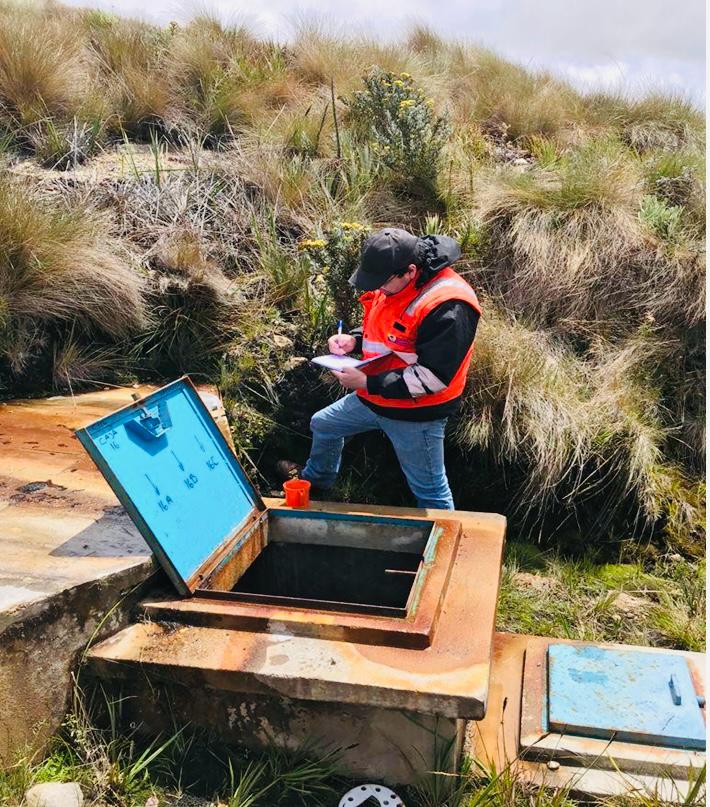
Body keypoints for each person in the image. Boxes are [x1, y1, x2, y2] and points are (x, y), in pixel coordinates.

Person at [277, 227, 481, 510]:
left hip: (417, 412)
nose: (377, 289)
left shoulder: (449, 306)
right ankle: (317, 484)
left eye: (381, 283)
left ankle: (449, 548)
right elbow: (391, 330)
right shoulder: (397, 281)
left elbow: (433, 378)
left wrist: (366, 383)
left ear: (409, 271)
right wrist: (354, 340)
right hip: (375, 397)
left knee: (430, 490)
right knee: (324, 424)